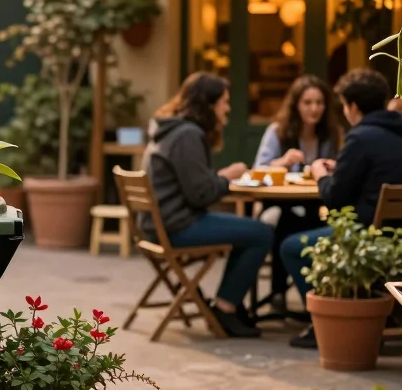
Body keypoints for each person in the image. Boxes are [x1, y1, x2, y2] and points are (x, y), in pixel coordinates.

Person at [142, 72, 273, 338]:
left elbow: (195, 186)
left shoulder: (171, 130)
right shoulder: (187, 134)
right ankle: (225, 307)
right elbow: (200, 195)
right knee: (261, 233)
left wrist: (220, 177)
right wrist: (228, 176)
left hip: (159, 224)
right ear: (208, 104)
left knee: (249, 231)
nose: (228, 108)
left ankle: (230, 304)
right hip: (178, 226)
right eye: (224, 101)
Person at [280, 69, 402, 348]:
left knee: (292, 247)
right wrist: (342, 169)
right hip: (398, 238)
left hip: (367, 240)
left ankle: (323, 321)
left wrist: (320, 174)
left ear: (353, 107)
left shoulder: (360, 138)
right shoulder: (396, 132)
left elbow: (336, 199)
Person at [252, 75, 341, 310]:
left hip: (314, 202)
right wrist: (282, 161)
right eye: (308, 103)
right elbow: (258, 170)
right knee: (287, 220)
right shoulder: (277, 132)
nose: (314, 109)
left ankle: (291, 293)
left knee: (306, 220)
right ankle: (293, 293)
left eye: (319, 103)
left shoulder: (330, 134)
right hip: (278, 202)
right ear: (296, 105)